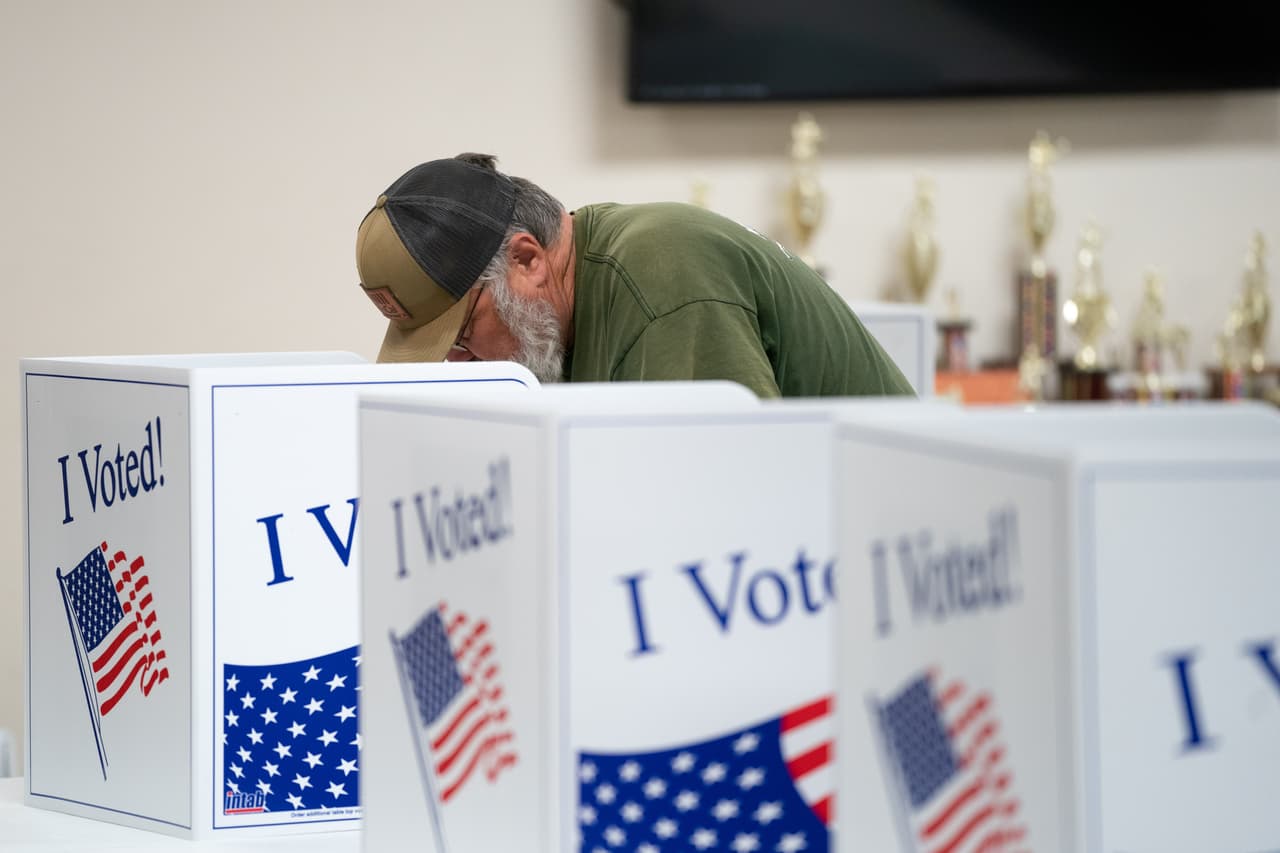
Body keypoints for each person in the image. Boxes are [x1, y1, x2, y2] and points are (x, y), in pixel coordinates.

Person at [355, 152, 915, 399]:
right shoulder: (561, 315)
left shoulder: (663, 284)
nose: (458, 362)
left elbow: (733, 511)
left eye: (459, 335)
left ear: (527, 260)